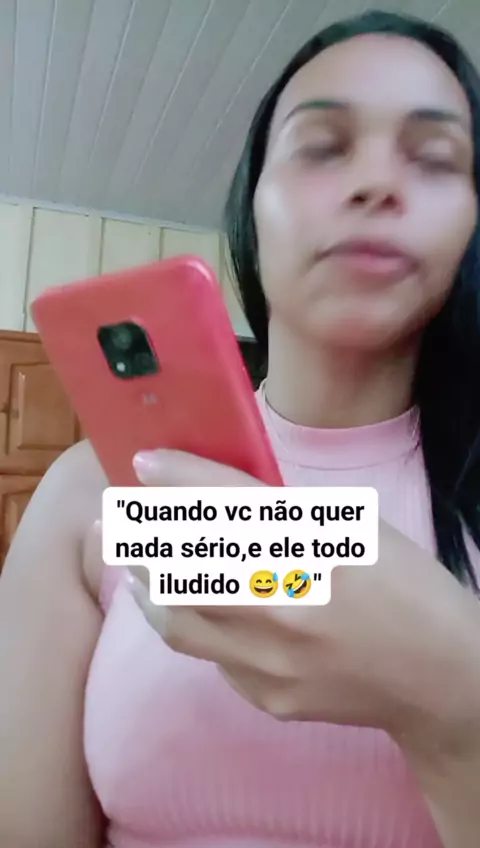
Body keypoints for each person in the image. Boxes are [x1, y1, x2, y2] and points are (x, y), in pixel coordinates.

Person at [1, 8, 480, 848]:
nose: (376, 183)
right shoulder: (92, 494)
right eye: (323, 147)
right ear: (250, 209)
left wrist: (456, 700)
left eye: (435, 158)